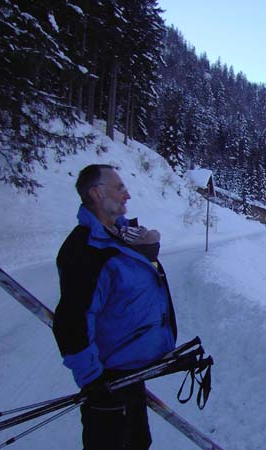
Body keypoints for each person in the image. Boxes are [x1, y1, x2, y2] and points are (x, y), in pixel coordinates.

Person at [53, 164, 177, 450]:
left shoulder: (118, 237)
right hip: (108, 385)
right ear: (96, 193)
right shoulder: (87, 251)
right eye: (120, 188)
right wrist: (93, 381)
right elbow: (72, 322)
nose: (128, 195)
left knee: (138, 443)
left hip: (131, 377)